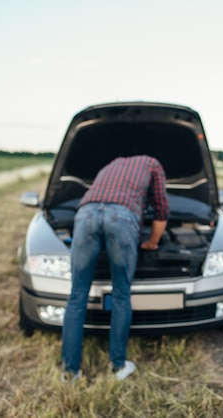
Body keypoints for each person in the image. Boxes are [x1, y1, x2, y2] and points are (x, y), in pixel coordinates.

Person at [61, 155, 169, 382]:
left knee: (77, 295)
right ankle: (118, 366)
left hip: (86, 214)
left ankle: (70, 372)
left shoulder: (110, 163)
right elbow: (161, 209)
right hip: (122, 215)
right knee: (121, 293)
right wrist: (151, 242)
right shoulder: (152, 164)